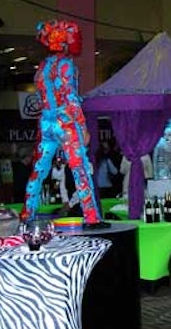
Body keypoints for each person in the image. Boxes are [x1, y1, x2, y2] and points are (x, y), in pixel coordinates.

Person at [20, 19, 108, 229]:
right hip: (65, 122)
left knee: (39, 170)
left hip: (46, 121)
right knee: (80, 169)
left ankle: (27, 212)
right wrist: (83, 126)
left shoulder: (42, 67)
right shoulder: (66, 65)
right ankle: (92, 218)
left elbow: (43, 96)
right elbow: (70, 97)